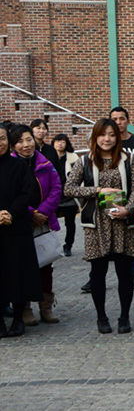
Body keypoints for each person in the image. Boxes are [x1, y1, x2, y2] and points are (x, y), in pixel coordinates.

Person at [64, 118, 134, 335]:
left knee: (124, 272)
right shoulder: (85, 161)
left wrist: (128, 209)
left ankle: (124, 316)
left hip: (123, 222)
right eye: (102, 134)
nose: (106, 139)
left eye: (111, 134)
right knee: (98, 273)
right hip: (96, 223)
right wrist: (97, 190)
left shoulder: (129, 160)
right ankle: (101, 317)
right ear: (95, 137)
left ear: (117, 137)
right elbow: (69, 188)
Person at [10, 124, 62, 325]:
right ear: (13, 146)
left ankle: (46, 306)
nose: (26, 145)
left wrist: (44, 212)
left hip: (43, 221)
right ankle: (25, 307)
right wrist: (32, 213)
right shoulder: (11, 165)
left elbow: (56, 188)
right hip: (21, 222)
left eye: (28, 139)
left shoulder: (45, 163)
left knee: (45, 265)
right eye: (20, 141)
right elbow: (14, 195)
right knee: (23, 266)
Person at [0, 123, 42, 338]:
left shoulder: (18, 166)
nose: (0, 143)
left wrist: (10, 213)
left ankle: (18, 318)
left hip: (16, 228)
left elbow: (28, 193)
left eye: (2, 138)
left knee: (18, 275)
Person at [110, 106, 134, 290]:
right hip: (112, 194)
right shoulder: (107, 143)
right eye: (115, 119)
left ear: (128, 120)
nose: (118, 122)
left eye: (121, 118)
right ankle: (97, 275)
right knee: (109, 235)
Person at [52, 133, 80, 256]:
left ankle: (68, 245)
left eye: (62, 141)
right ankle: (51, 246)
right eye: (57, 141)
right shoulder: (48, 157)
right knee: (50, 223)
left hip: (69, 196)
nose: (60, 144)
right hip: (54, 196)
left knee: (70, 223)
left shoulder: (73, 158)